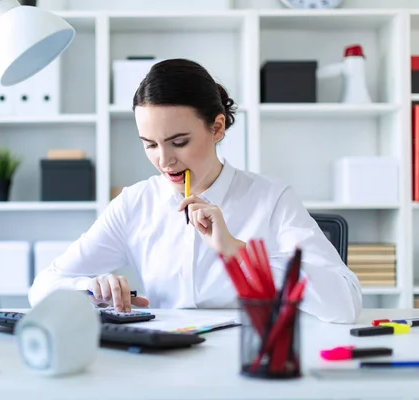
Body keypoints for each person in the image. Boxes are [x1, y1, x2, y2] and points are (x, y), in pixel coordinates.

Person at [29, 58, 362, 324]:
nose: (164, 160)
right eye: (150, 145)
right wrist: (89, 288)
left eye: (179, 142)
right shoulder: (135, 203)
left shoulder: (270, 198)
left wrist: (237, 252)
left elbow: (344, 304)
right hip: (164, 368)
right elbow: (42, 287)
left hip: (247, 363)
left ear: (216, 127)